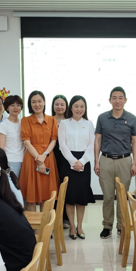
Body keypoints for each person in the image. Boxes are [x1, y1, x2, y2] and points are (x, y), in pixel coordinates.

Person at [94, 86, 136, 239]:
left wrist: (134, 163)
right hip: (106, 160)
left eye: (120, 98)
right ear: (110, 100)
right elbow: (98, 140)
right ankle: (107, 226)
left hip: (124, 161)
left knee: (122, 196)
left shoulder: (132, 118)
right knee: (107, 197)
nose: (117, 101)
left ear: (125, 100)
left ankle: (121, 226)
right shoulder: (102, 118)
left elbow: (135, 142)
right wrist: (96, 161)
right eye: (114, 98)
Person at [58, 95, 95, 240]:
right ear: (71, 108)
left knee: (81, 196)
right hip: (68, 162)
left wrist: (82, 162)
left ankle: (80, 226)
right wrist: (74, 162)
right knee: (70, 196)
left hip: (84, 163)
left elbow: (91, 145)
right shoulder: (64, 123)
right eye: (76, 106)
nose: (79, 109)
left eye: (82, 106)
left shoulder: (89, 124)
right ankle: (72, 226)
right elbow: (62, 145)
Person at [20, 91, 60, 211]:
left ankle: (45, 223)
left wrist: (44, 155)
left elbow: (54, 140)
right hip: (32, 159)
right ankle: (33, 224)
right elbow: (26, 142)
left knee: (47, 196)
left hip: (48, 157)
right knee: (31, 197)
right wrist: (39, 159)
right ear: (30, 104)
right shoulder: (25, 120)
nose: (37, 104)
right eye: (33, 102)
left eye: (39, 101)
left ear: (44, 102)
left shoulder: (52, 119)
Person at [51, 95, 71, 228]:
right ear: (53, 106)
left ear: (66, 106)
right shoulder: (49, 120)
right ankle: (52, 217)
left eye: (62, 104)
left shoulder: (70, 121)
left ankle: (65, 218)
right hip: (51, 156)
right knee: (53, 187)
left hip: (67, 157)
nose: (59, 107)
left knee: (65, 186)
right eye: (57, 104)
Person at [0, 95, 25, 178]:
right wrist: (5, 163)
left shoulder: (23, 123)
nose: (15, 108)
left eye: (18, 105)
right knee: (12, 184)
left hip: (25, 159)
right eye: (12, 105)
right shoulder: (3, 125)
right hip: (11, 161)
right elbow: (1, 148)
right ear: (7, 107)